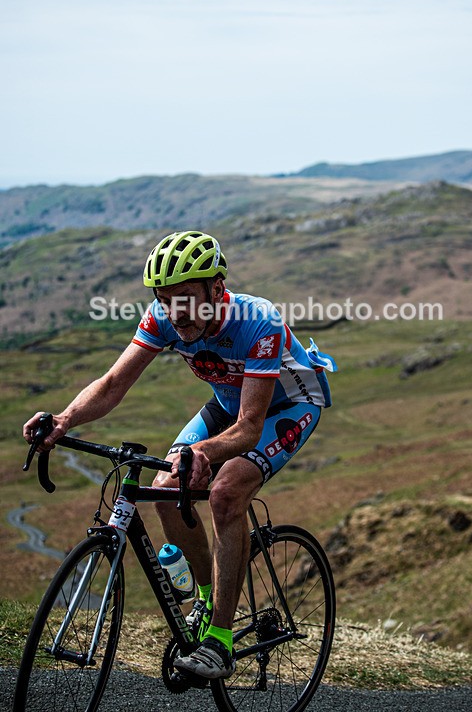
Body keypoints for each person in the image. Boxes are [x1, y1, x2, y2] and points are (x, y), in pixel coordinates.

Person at [23, 230, 336, 680]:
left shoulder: (257, 321)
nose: (177, 311)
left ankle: (221, 643)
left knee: (226, 492)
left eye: (187, 298)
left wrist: (203, 451)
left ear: (216, 288)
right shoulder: (163, 318)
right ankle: (208, 601)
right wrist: (63, 420)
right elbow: (113, 384)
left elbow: (250, 427)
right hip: (228, 401)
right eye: (166, 299)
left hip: (286, 408)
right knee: (167, 486)